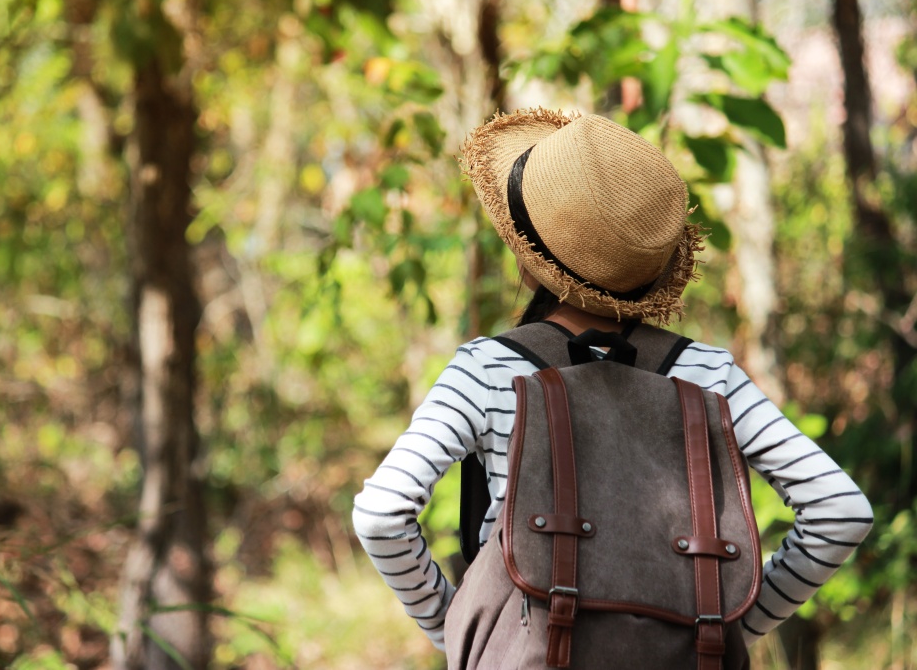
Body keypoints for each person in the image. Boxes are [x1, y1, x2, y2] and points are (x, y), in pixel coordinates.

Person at [352, 109, 872, 653]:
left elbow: (381, 515)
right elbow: (841, 511)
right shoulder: (711, 376)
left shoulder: (487, 370)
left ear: (528, 262)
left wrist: (456, 630)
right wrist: (733, 628)